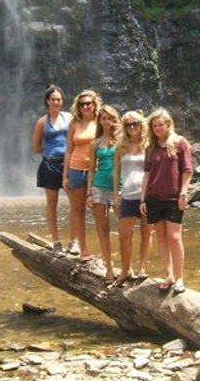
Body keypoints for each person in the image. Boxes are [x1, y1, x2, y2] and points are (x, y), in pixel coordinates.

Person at [140, 109, 192, 294]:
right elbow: (146, 174)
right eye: (154, 126)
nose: (158, 128)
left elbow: (187, 171)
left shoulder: (180, 143)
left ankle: (180, 278)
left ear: (169, 124)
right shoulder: (150, 147)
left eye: (161, 124)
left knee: (175, 238)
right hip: (154, 197)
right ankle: (168, 275)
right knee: (161, 237)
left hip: (173, 198)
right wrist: (142, 199)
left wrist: (183, 194)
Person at [111, 110, 152, 287]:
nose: (132, 127)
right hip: (127, 195)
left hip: (147, 195)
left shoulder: (149, 145)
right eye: (128, 124)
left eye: (135, 123)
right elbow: (116, 172)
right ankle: (126, 269)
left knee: (146, 233)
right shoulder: (121, 147)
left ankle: (142, 268)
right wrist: (115, 195)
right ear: (124, 127)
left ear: (141, 124)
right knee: (124, 235)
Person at [32, 85, 72, 254]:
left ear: (62, 101)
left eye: (59, 99)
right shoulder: (42, 122)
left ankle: (74, 241)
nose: (56, 102)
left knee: (75, 204)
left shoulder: (70, 118)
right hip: (50, 165)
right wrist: (51, 152)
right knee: (51, 204)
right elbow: (36, 146)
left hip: (69, 165)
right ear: (47, 101)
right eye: (53, 99)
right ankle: (56, 242)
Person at [62, 90, 100, 259]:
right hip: (76, 170)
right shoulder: (74, 123)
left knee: (100, 212)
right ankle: (83, 249)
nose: (85, 106)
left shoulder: (101, 122)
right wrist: (65, 175)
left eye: (88, 103)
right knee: (78, 211)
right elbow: (68, 151)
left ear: (94, 104)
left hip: (97, 171)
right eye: (82, 104)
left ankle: (103, 250)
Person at [86, 105, 120, 282]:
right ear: (99, 120)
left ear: (115, 119)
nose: (106, 121)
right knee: (103, 229)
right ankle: (109, 268)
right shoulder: (95, 143)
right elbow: (91, 170)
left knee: (124, 228)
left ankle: (126, 266)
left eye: (109, 118)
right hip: (98, 187)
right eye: (103, 118)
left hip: (118, 188)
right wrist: (88, 194)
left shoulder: (121, 141)